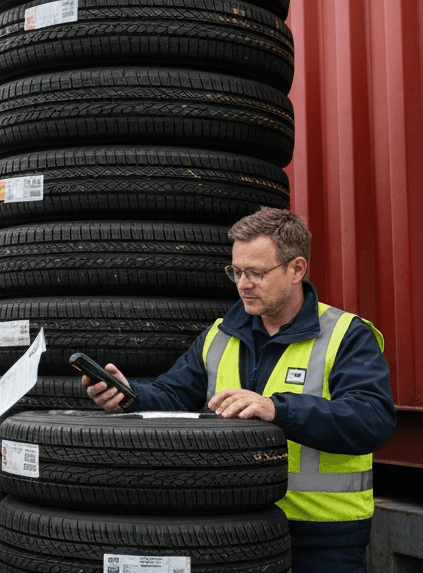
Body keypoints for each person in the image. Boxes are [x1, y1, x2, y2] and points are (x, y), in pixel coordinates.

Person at [84, 208, 395, 573]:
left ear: (297, 269)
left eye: (257, 273)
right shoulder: (219, 335)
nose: (243, 284)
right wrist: (128, 395)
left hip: (323, 533)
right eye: (237, 271)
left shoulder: (346, 335)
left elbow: (372, 420)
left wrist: (277, 409)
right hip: (236, 525)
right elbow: (172, 397)